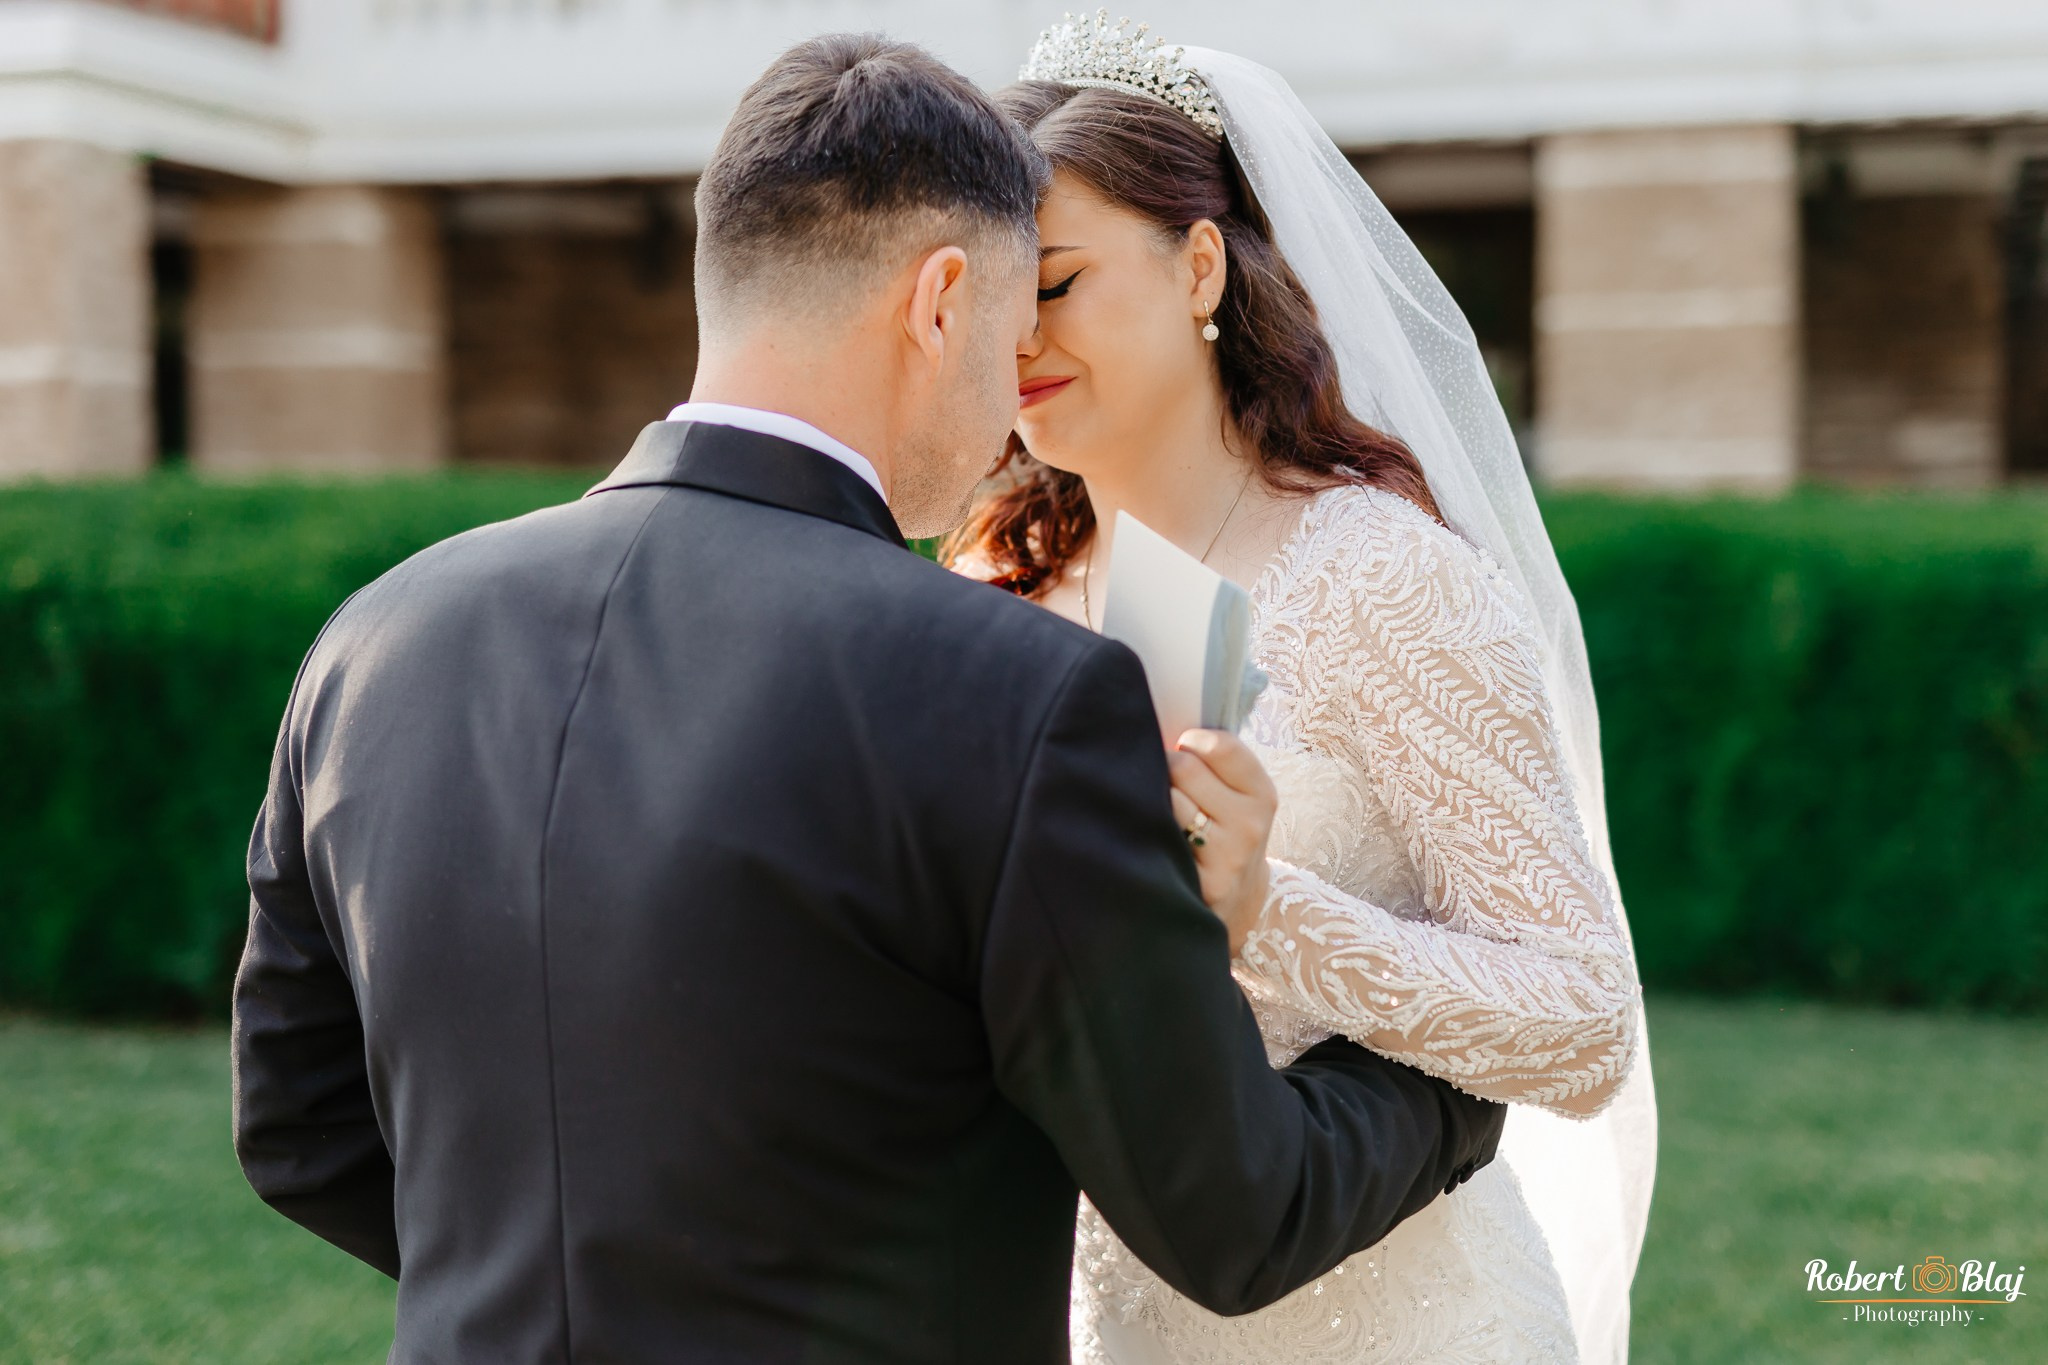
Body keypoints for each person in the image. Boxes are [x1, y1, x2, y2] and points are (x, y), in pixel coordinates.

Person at [228, 33, 1508, 1365]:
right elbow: (1233, 1210)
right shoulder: (1023, 694)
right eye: (1017, 331)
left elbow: (301, 1126)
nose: (1015, 407)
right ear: (941, 302)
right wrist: (1451, 1089)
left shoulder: (371, 644)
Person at [945, 15, 1658, 1363]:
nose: (1015, 335)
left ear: (1199, 263)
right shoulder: (994, 583)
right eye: (983, 296)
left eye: (1055, 281)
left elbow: (1582, 1020)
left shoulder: (1385, 578)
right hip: (1107, 1312)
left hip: (1399, 1312)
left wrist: (1267, 907)